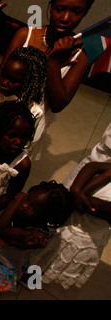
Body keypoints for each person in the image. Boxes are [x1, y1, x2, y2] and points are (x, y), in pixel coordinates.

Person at [30, 122, 111, 289]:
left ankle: (34, 279)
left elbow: (100, 209)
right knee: (49, 237)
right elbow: (94, 167)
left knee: (62, 254)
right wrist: (77, 191)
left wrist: (79, 195)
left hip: (89, 228)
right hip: (80, 196)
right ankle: (30, 274)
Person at [0, 180, 75, 299]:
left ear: (46, 218)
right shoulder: (24, 213)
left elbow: (2, 229)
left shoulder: (34, 235)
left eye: (33, 208)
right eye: (28, 198)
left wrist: (17, 199)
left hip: (4, 260)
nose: (24, 205)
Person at [0, 0, 94, 114]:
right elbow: (0, 80)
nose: (65, 18)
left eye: (76, 12)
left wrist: (54, 62)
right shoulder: (25, 35)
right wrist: (46, 63)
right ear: (51, 7)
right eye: (60, 9)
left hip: (33, 125)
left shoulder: (79, 54)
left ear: (84, 13)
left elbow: (58, 105)